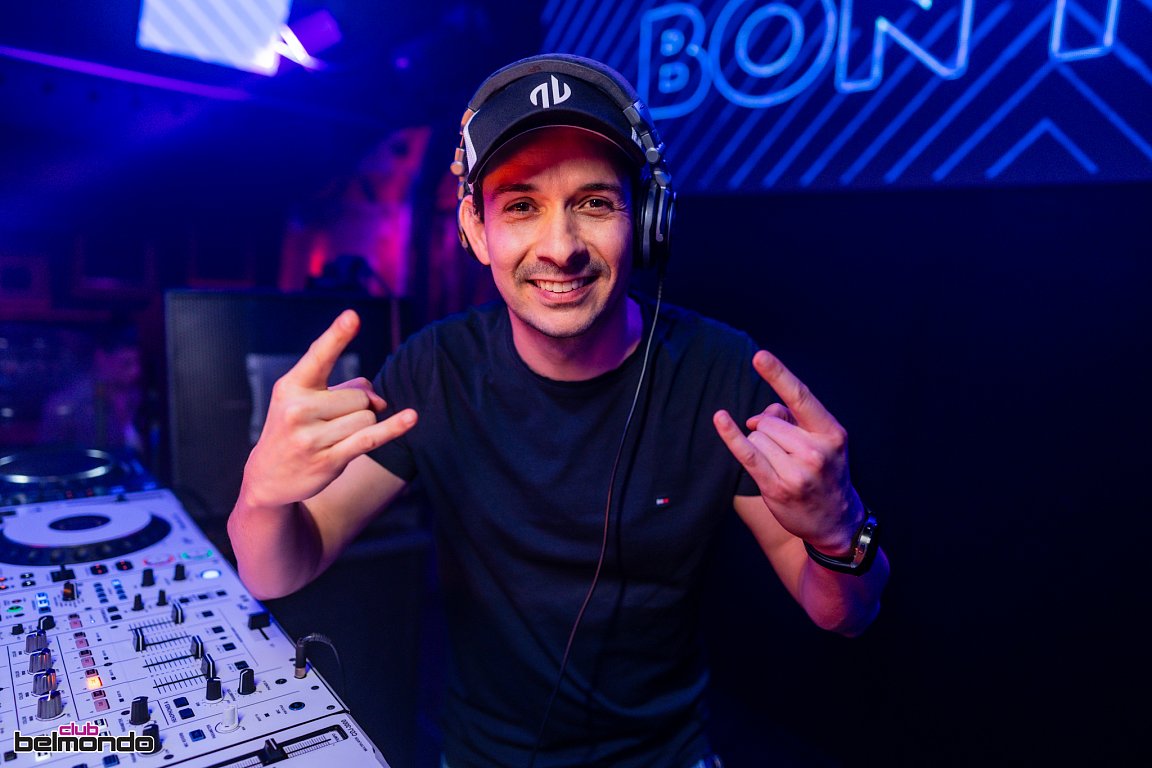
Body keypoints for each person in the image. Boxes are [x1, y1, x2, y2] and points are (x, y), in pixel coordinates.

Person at [228, 54, 889, 768]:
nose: (561, 248)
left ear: (647, 220)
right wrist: (262, 491)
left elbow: (844, 613)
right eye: (521, 205)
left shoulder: (721, 373)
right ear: (477, 228)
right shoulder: (435, 369)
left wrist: (840, 528)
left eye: (595, 203)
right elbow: (278, 573)